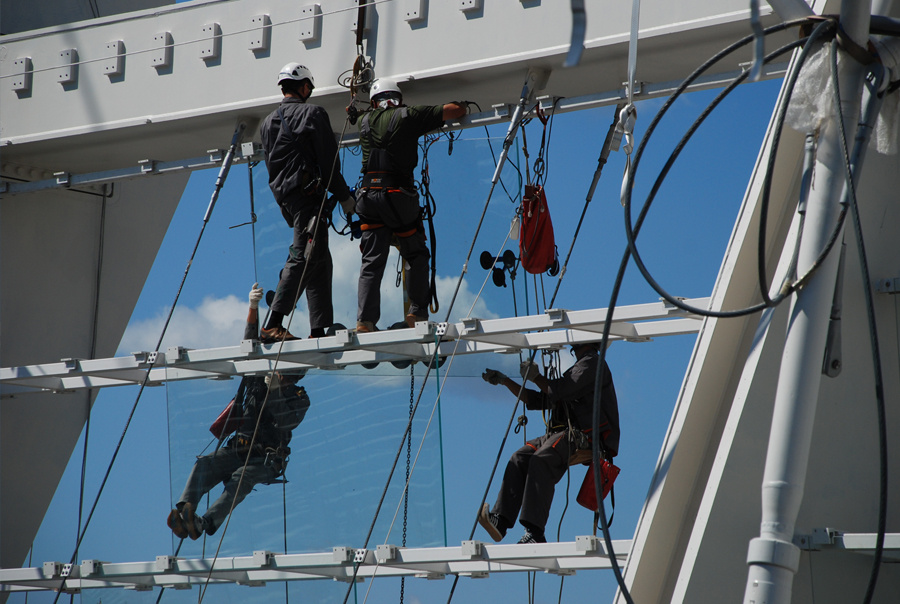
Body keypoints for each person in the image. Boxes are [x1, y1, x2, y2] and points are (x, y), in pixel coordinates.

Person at [166, 284, 311, 540]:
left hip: (265, 459)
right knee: (205, 463)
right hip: (238, 449)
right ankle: (184, 511)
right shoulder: (258, 378)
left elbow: (286, 422)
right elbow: (251, 346)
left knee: (241, 478)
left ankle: (205, 522)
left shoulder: (298, 397)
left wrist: (275, 392)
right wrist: (252, 309)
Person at [354, 78, 467, 333]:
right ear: (399, 99)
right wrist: (464, 105)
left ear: (374, 102)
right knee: (415, 254)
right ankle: (417, 312)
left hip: (368, 197)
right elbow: (454, 110)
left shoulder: (363, 121)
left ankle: (364, 321)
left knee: (371, 261)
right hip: (398, 196)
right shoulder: (408, 115)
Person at [478, 342, 620, 544]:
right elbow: (538, 399)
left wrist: (536, 377)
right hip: (563, 433)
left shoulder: (592, 363)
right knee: (519, 458)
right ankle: (501, 521)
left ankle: (535, 532)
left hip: (585, 435)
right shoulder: (579, 369)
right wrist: (505, 381)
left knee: (541, 459)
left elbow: (560, 390)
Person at [259, 62, 354, 343]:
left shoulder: (267, 123)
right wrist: (345, 196)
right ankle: (272, 323)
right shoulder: (313, 113)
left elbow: (271, 166)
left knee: (320, 258)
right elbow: (328, 163)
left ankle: (319, 329)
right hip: (308, 198)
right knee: (304, 256)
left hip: (287, 199)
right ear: (303, 87)